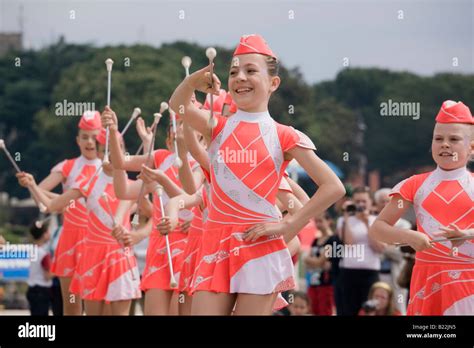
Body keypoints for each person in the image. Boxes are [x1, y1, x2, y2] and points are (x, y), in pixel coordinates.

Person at [169, 34, 345, 315]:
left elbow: (333, 187)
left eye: (251, 70)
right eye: (234, 72)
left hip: (259, 246)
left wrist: (290, 226)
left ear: (273, 83)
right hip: (215, 244)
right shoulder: (217, 126)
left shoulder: (285, 135)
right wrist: (192, 82)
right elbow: (178, 106)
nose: (240, 77)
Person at [17, 129, 142, 315]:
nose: (113, 153)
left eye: (118, 148)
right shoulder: (87, 183)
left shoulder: (133, 186)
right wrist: (33, 185)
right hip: (93, 258)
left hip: (120, 259)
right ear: (99, 154)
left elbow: (153, 214)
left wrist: (136, 234)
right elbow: (52, 206)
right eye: (106, 150)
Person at [370, 100, 474, 315]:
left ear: (471, 146)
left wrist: (468, 234)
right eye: (438, 139)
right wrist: (409, 236)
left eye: (453, 139)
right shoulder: (414, 184)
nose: (445, 144)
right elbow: (378, 228)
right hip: (426, 280)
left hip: (468, 281)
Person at [101, 107, 203, 315]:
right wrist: (112, 133)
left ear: (200, 132)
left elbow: (192, 198)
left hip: (190, 246)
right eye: (175, 125)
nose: (179, 129)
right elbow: (123, 183)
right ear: (168, 137)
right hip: (160, 247)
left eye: (186, 124)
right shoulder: (160, 158)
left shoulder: (203, 163)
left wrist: (162, 180)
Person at [32, 111, 102, 315]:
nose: (90, 141)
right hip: (70, 241)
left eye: (94, 136)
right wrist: (58, 200)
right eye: (85, 136)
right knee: (71, 305)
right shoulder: (67, 167)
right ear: (77, 140)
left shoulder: (107, 168)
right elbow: (40, 194)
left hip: (97, 242)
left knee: (98, 302)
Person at [337, 186, 385, 315]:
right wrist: (347, 218)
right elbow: (349, 244)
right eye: (357, 201)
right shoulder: (343, 221)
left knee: (370, 309)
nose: (361, 204)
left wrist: (366, 223)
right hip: (349, 271)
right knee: (349, 309)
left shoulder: (377, 221)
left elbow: (379, 248)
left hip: (370, 271)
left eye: (364, 201)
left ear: (370, 202)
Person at [374, 188, 411, 314]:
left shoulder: (404, 225)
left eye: (388, 202)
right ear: (376, 204)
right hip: (377, 275)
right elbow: (372, 251)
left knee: (399, 308)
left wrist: (382, 244)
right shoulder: (372, 223)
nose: (385, 205)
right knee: (377, 308)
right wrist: (390, 242)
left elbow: (401, 253)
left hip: (396, 275)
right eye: (381, 202)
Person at [304, 212, 339, 315]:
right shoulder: (315, 240)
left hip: (326, 283)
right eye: (316, 221)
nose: (318, 224)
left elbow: (320, 261)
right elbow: (306, 260)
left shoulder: (332, 240)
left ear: (329, 221)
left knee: (325, 311)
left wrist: (314, 261)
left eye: (321, 221)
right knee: (312, 310)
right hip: (313, 281)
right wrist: (316, 261)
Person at [26, 222, 53, 316]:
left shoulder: (30, 250)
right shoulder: (44, 254)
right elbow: (47, 276)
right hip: (42, 291)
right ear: (44, 235)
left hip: (31, 289)